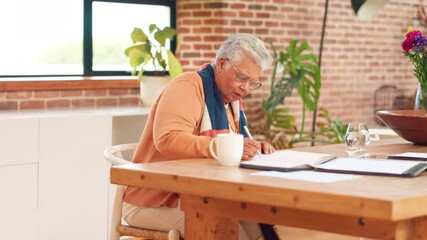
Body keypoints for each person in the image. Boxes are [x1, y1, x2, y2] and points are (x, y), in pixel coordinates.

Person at [122, 33, 278, 240]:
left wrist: (253, 147)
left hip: (205, 196)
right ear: (222, 64)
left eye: (253, 82)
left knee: (262, 228)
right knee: (225, 233)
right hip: (154, 199)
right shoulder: (187, 87)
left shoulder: (232, 101)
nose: (247, 88)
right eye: (242, 78)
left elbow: (231, 143)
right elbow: (168, 139)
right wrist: (220, 148)